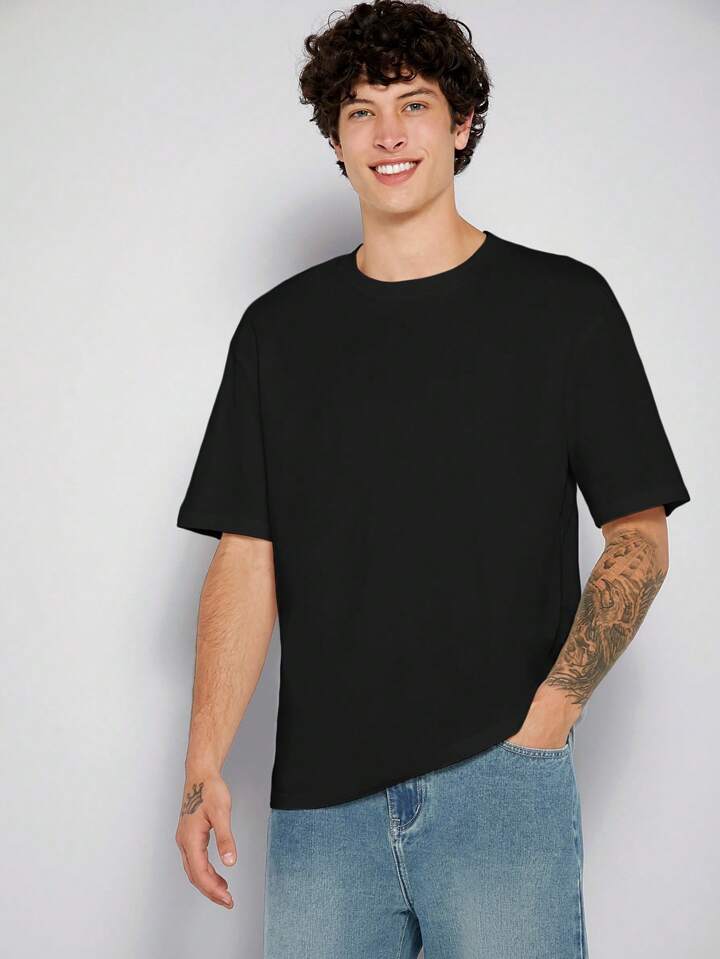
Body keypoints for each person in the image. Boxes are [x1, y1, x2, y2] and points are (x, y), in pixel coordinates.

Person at [174, 1, 691, 955]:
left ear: (461, 124)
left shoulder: (562, 307)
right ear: (336, 138)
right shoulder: (278, 332)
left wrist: (547, 719)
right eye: (361, 111)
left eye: (413, 104)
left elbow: (639, 536)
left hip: (502, 783)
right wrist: (203, 760)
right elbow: (247, 557)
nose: (388, 134)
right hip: (320, 806)